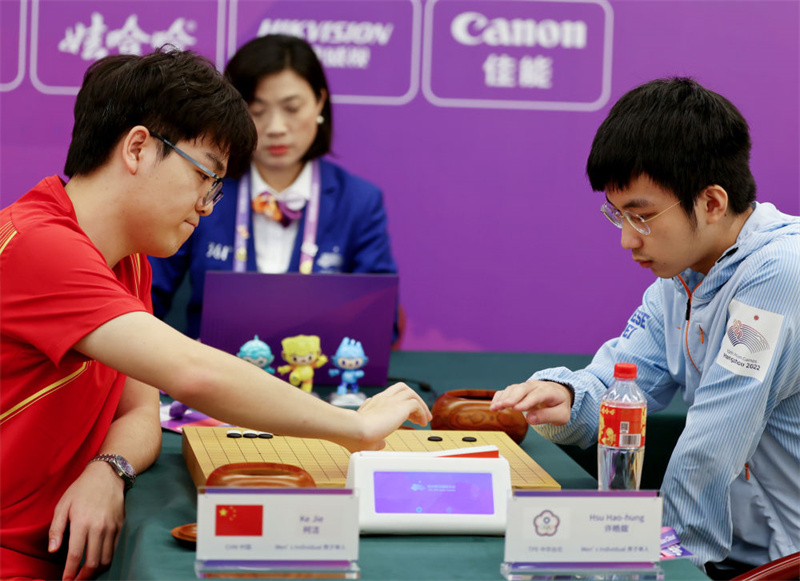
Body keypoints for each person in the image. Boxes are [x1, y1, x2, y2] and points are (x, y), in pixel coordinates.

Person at [0, 48, 430, 581]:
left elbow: (140, 413)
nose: (207, 205)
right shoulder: (38, 246)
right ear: (138, 148)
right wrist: (354, 426)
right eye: (206, 175)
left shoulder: (127, 258)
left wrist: (108, 469)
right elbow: (192, 373)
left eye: (217, 187)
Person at [491, 78, 800, 578]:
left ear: (712, 202)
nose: (628, 240)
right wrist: (568, 396)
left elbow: (712, 443)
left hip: (783, 561)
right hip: (735, 555)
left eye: (643, 216)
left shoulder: (781, 272)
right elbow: (624, 379)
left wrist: (658, 560)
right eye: (618, 216)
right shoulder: (681, 277)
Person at [149, 34, 399, 340]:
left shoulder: (358, 201)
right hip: (209, 368)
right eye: (256, 110)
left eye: (291, 108)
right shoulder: (202, 191)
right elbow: (144, 299)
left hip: (313, 368)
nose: (276, 128)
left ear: (319, 102)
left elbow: (380, 322)